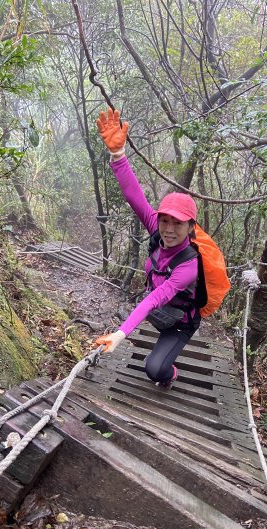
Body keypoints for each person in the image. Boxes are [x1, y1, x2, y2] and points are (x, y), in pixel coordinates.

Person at [94, 108, 200, 388]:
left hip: (179, 321)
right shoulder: (157, 227)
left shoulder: (189, 265)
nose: (168, 229)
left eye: (178, 224)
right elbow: (134, 195)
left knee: (155, 371)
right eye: (165, 220)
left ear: (191, 227)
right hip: (158, 312)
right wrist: (118, 155)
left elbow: (154, 299)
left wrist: (120, 334)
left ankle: (170, 369)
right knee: (145, 313)